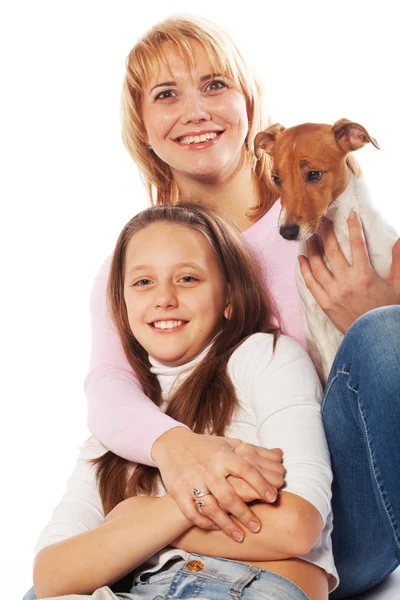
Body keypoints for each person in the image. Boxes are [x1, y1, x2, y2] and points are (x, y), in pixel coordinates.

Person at [28, 13, 400, 600]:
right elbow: (108, 387)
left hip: (331, 527)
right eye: (167, 94)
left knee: (385, 334)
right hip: (210, 522)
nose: (196, 110)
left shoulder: (333, 217)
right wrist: (179, 450)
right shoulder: (137, 267)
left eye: (215, 84)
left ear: (250, 105)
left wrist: (382, 319)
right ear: (141, 125)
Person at [32, 203, 336, 600]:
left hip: (238, 586)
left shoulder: (264, 358)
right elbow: (52, 575)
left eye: (188, 278)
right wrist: (190, 503)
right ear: (121, 308)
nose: (164, 298)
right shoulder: (120, 422)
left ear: (229, 296)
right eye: (143, 283)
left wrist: (132, 518)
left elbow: (297, 526)